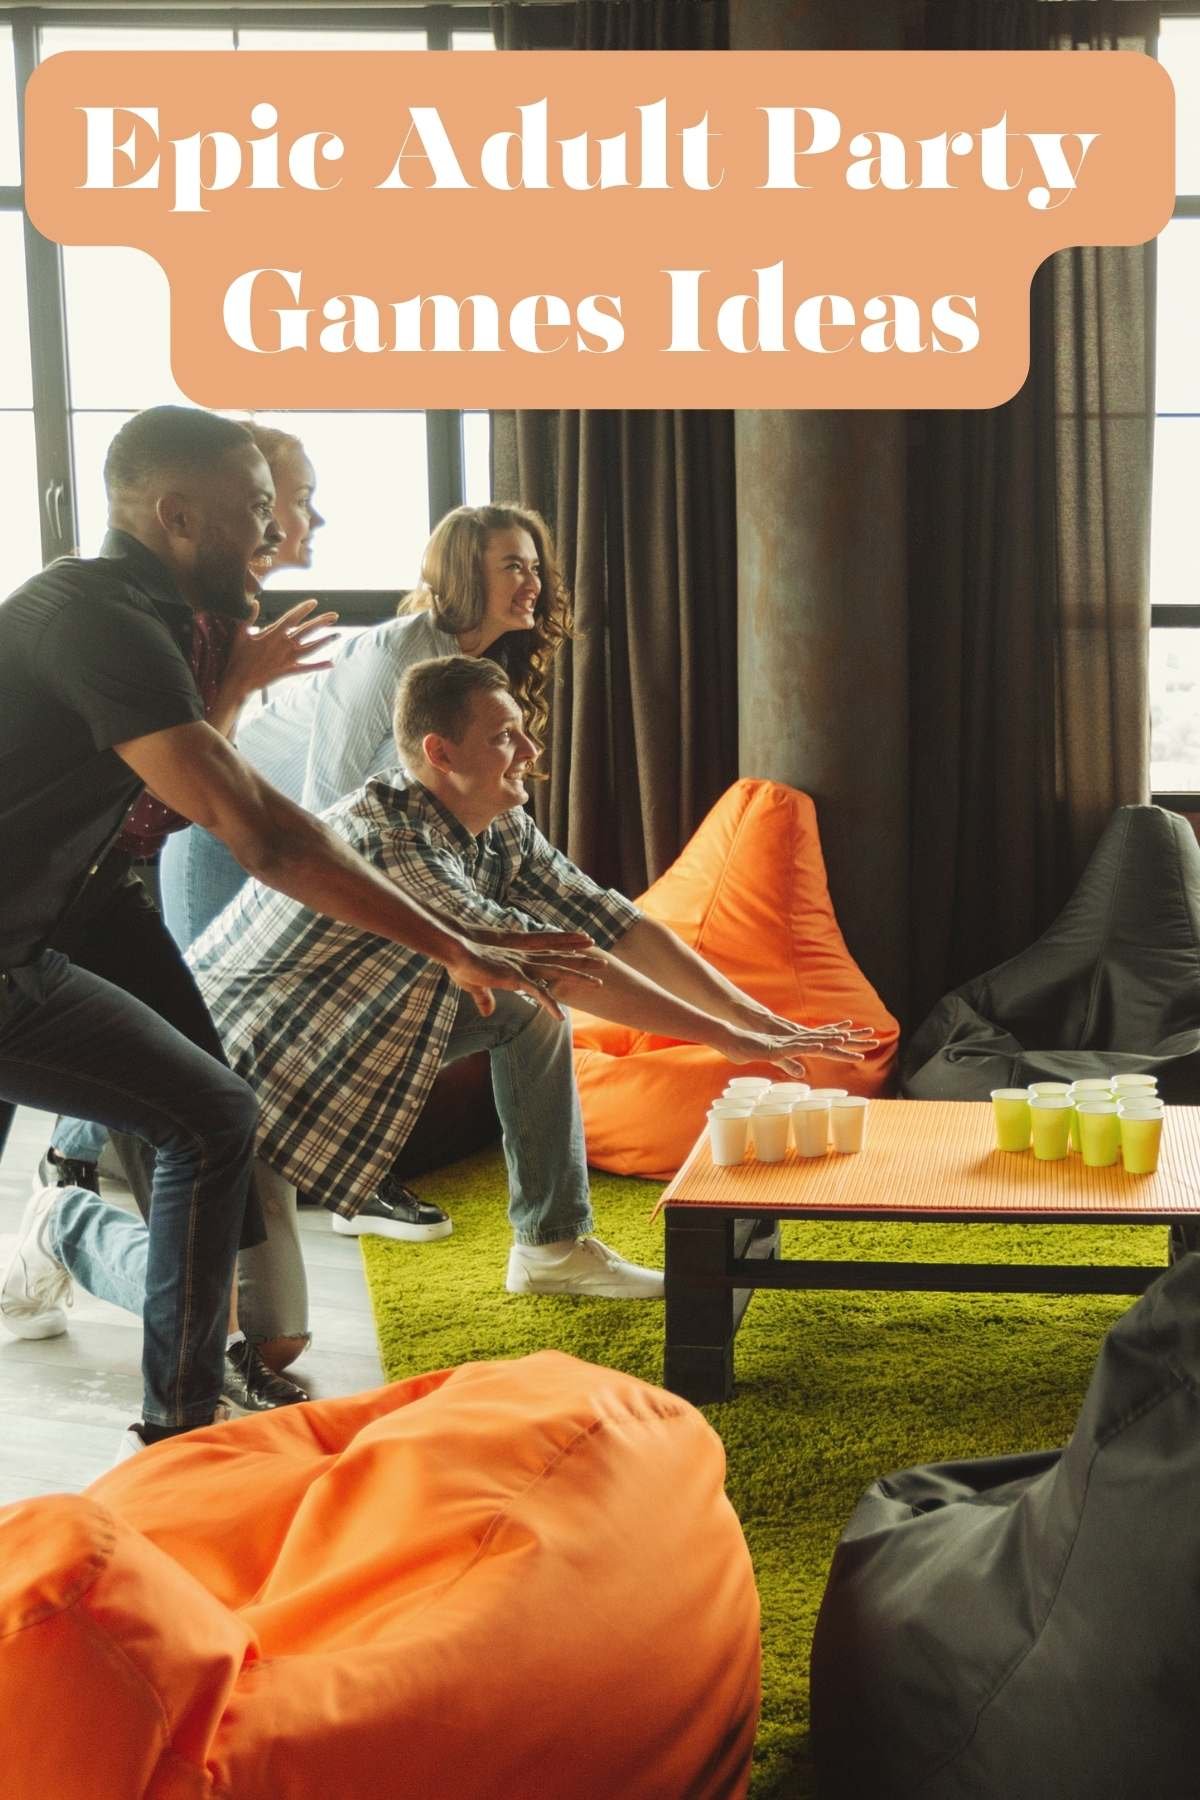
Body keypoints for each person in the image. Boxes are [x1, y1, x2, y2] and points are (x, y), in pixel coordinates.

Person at [0, 408, 600, 1456]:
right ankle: (182, 1420)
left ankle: (184, 1394)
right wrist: (451, 944)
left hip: (58, 926)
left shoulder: (149, 623)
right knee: (209, 1112)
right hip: (32, 945)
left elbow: (159, 814)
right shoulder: (94, 619)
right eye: (260, 513)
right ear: (175, 515)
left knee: (209, 1108)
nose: (277, 537)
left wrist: (225, 693)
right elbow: (272, 835)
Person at [185, 655, 872, 1338]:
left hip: (339, 1035)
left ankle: (552, 1248)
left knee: (529, 1015)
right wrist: (727, 1038)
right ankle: (77, 1229)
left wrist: (747, 1012)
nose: (532, 751)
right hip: (235, 1073)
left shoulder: (495, 819)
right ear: (440, 752)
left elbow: (613, 924)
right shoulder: (390, 841)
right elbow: (561, 969)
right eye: (505, 737)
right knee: (272, 1345)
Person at [160, 501, 570, 1245]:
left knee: (378, 998)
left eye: (536, 564)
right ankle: (76, 1163)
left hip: (306, 843)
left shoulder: (482, 668)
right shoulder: (392, 651)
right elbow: (331, 804)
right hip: (229, 828)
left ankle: (355, 1180)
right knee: (197, 1036)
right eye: (513, 564)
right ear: (464, 573)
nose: (533, 581)